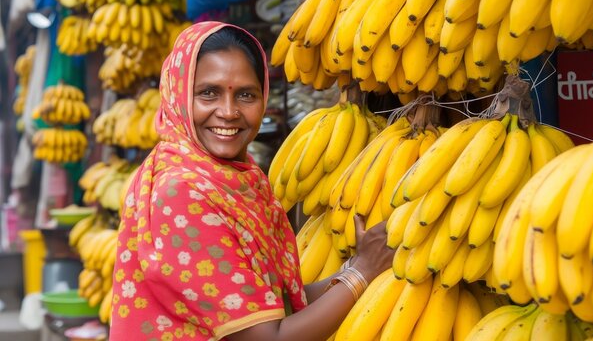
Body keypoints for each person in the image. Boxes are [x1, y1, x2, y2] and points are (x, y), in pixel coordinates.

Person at [109, 22, 395, 341]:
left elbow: (274, 303)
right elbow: (267, 337)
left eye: (246, 94)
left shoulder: (234, 178)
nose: (229, 112)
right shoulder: (183, 191)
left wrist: (356, 267)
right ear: (177, 96)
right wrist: (362, 273)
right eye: (209, 93)